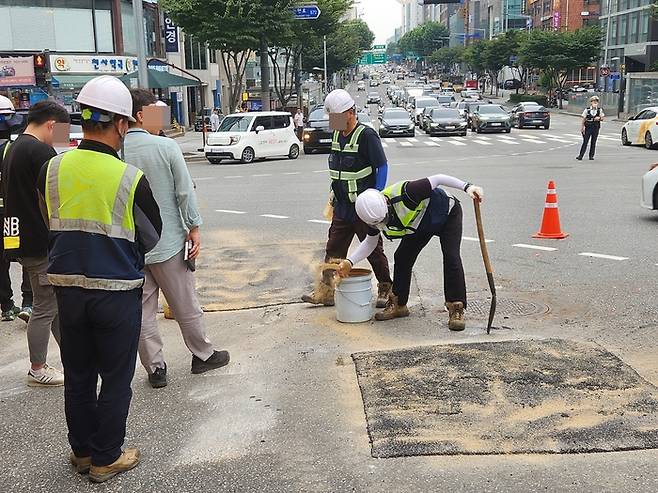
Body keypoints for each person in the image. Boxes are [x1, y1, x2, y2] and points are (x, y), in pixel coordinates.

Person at [37, 76, 162, 482]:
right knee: (114, 377)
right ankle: (107, 456)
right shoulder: (128, 177)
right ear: (122, 124)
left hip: (67, 291)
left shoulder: (52, 169)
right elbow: (152, 235)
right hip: (116, 293)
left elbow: (49, 220)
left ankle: (83, 452)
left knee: (78, 374)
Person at [124, 88, 230, 389]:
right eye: (156, 111)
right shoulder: (165, 148)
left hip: (133, 246)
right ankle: (203, 354)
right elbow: (184, 192)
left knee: (143, 310)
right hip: (169, 241)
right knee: (185, 303)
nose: (162, 118)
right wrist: (194, 226)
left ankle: (155, 369)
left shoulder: (117, 150)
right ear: (141, 115)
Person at [335, 175, 483, 331]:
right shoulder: (372, 217)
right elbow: (370, 243)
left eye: (384, 218)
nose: (383, 223)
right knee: (402, 257)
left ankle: (456, 307)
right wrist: (349, 262)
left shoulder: (408, 192)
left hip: (447, 214)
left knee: (451, 256)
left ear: (385, 203)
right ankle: (399, 304)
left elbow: (438, 178)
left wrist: (468, 187)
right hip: (419, 224)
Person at [302, 89, 392, 308]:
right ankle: (326, 291)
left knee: (373, 249)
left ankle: (385, 287)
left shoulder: (367, 136)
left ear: (350, 112)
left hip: (362, 207)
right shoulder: (336, 135)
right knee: (333, 249)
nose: (333, 122)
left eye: (337, 117)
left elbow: (382, 166)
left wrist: (376, 194)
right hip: (342, 206)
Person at [2, 100, 70, 386]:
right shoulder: (40, 151)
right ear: (52, 125)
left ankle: (72, 360)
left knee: (52, 304)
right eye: (62, 132)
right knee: (44, 306)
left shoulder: (14, 147)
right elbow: (55, 194)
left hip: (20, 236)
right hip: (40, 239)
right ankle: (37, 368)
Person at [0, 95, 32, 322]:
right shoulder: (14, 150)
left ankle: (7, 305)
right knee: (26, 255)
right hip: (12, 215)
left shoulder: (14, 148)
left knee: (3, 259)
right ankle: (29, 302)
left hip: (8, 214)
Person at [577, 95, 604, 161]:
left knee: (593, 142)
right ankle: (581, 155)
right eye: (593, 101)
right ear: (591, 102)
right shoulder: (587, 110)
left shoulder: (599, 110)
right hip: (588, 127)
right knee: (585, 141)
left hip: (596, 127)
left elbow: (602, 118)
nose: (595, 103)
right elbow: (584, 119)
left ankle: (591, 156)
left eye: (596, 101)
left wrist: (599, 118)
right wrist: (582, 127)